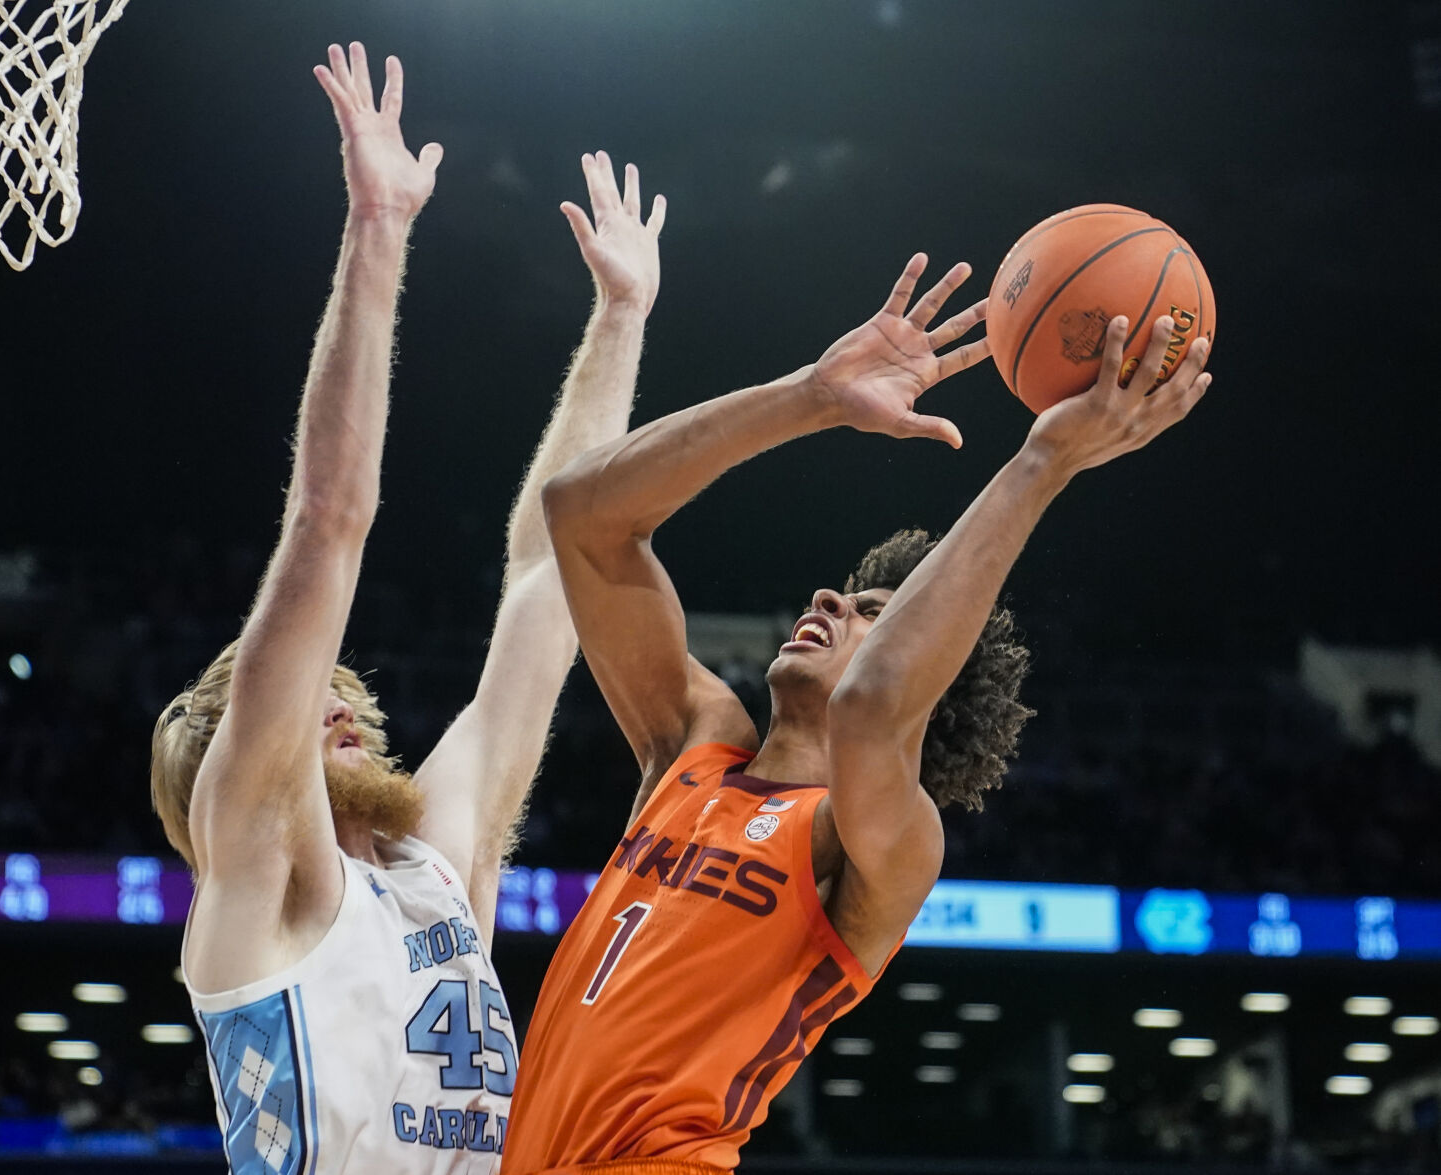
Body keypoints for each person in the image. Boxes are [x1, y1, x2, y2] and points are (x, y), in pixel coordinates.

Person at [503, 256, 1213, 1175]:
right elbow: (583, 515)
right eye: (846, 592)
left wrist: (1045, 460)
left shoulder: (882, 841)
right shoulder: (693, 747)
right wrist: (810, 396)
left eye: (871, 613)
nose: (833, 599)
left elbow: (877, 703)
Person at [146, 42, 668, 1174]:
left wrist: (622, 320)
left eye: (341, 695)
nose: (344, 707)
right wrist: (376, 230)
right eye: (304, 704)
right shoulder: (259, 865)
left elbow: (553, 576)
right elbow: (328, 517)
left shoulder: (433, 868)